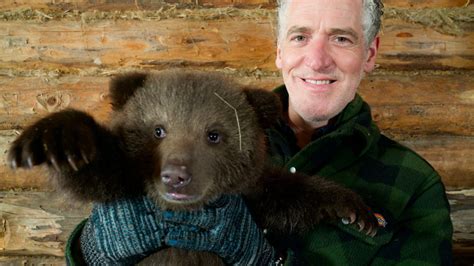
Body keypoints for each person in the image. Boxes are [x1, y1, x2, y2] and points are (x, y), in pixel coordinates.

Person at [65, 0, 453, 264]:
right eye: (300, 36)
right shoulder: (220, 118)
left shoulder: (414, 185)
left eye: (341, 38)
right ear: (279, 50)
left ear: (369, 53)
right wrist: (95, 248)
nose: (316, 59)